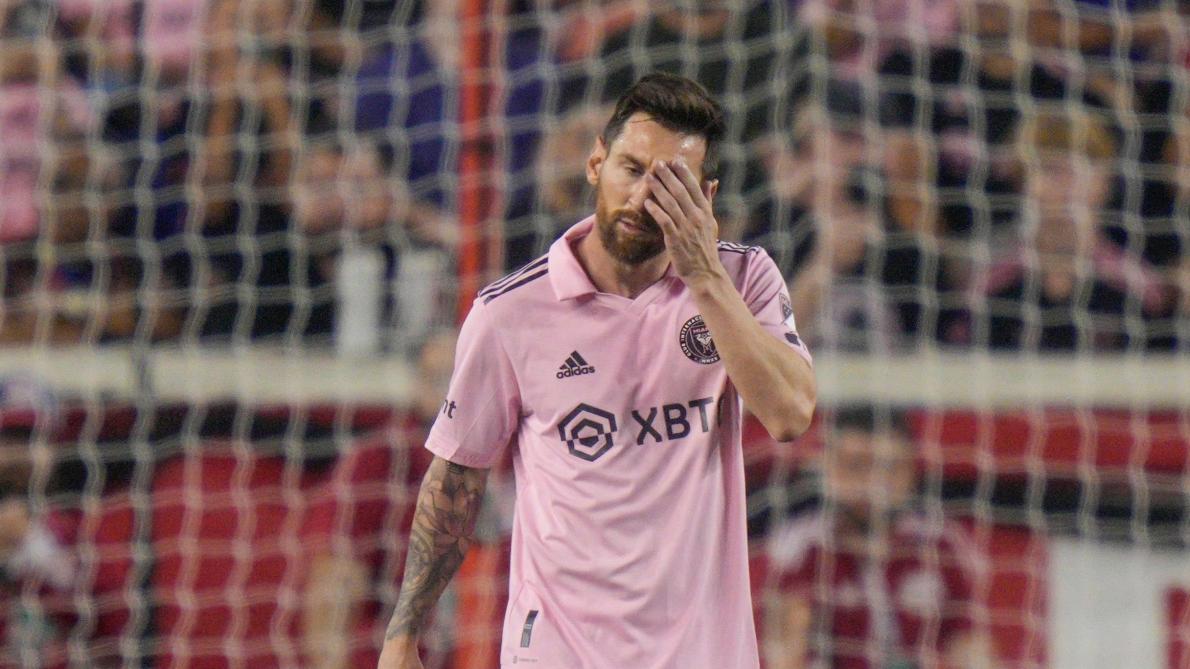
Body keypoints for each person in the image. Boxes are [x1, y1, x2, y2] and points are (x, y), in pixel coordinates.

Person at [376, 72, 817, 669]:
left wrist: (703, 276)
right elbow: (456, 478)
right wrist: (403, 635)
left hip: (702, 653)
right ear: (595, 164)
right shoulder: (510, 312)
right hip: (560, 651)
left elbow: (790, 414)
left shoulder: (744, 279)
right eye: (631, 170)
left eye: (670, 184)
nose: (641, 198)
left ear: (705, 198)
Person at [763, 404, 991, 669]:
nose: (874, 483)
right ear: (828, 467)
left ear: (911, 471)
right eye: (856, 466)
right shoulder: (801, 546)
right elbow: (787, 657)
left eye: (890, 468)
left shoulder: (940, 542)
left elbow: (971, 646)